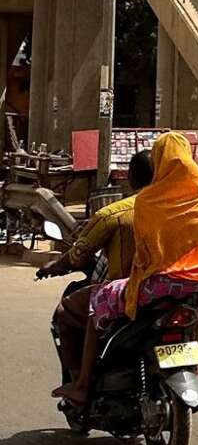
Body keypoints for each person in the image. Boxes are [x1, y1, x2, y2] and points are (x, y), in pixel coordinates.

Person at [52, 132, 198, 406]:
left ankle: (83, 383)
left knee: (98, 300)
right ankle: (195, 369)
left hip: (156, 285)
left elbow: (145, 252)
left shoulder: (148, 203)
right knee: (193, 314)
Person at [43, 151, 154, 388]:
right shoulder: (182, 208)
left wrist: (56, 265)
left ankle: (79, 383)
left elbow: (79, 253)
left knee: (65, 311)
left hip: (127, 292)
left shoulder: (115, 214)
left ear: (131, 178)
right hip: (173, 290)